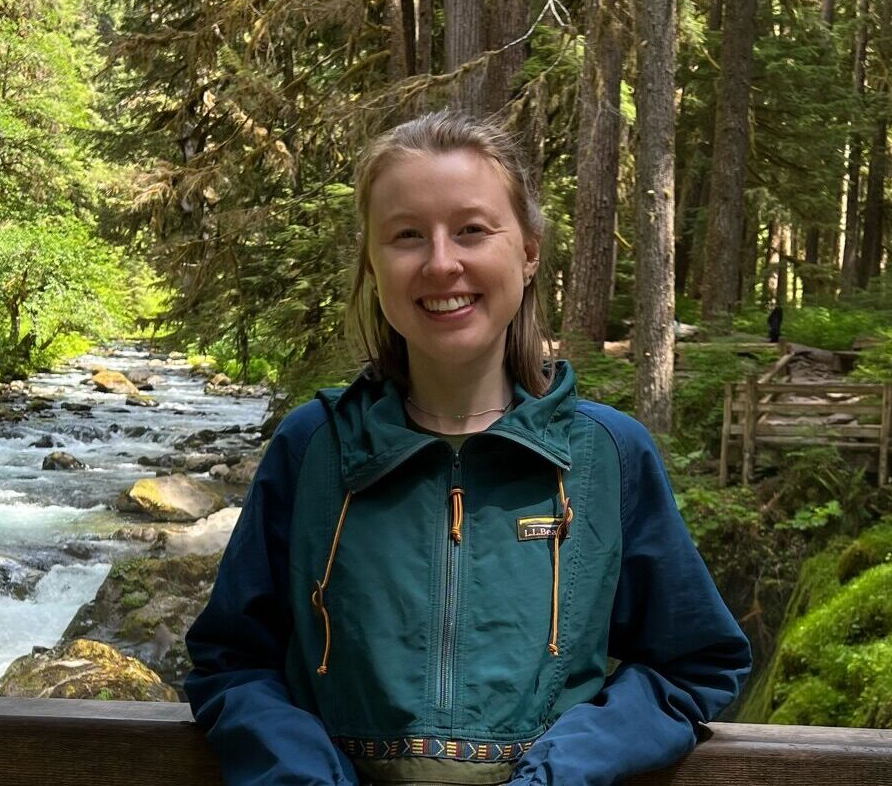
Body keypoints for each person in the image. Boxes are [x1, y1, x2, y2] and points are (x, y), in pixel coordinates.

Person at [184, 111, 751, 786]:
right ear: (372, 262)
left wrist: (561, 773)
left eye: (472, 230)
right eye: (406, 236)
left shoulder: (606, 458)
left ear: (529, 250)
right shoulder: (313, 449)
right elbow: (232, 661)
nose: (441, 262)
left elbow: (692, 666)